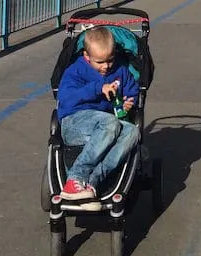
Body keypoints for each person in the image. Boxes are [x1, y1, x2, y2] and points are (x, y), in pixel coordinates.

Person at [57, 26, 140, 203]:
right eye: (99, 62)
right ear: (87, 57)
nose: (106, 67)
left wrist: (128, 101)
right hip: (76, 122)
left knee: (132, 132)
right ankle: (75, 178)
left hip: (107, 125)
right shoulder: (75, 72)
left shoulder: (120, 71)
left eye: (110, 60)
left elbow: (131, 90)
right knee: (110, 122)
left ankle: (93, 180)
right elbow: (66, 99)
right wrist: (97, 89)